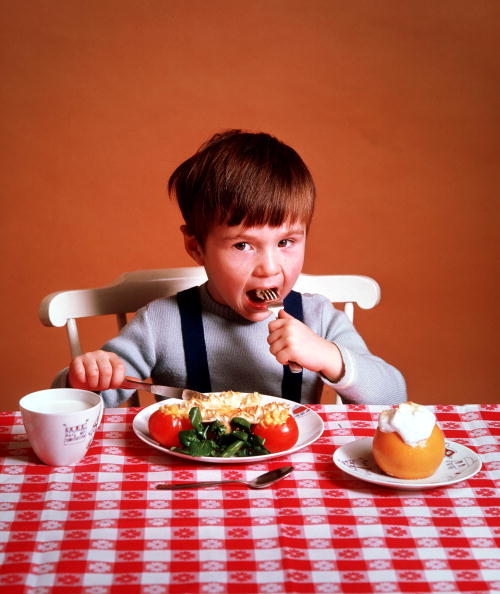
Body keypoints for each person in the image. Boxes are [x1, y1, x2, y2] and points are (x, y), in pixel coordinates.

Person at [59, 129, 406, 407]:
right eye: (243, 245)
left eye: (286, 242)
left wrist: (330, 357)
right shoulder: (160, 324)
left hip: (287, 479)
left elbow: (394, 396)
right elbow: (77, 401)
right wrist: (85, 378)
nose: (269, 267)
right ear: (197, 247)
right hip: (190, 477)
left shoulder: (318, 318)